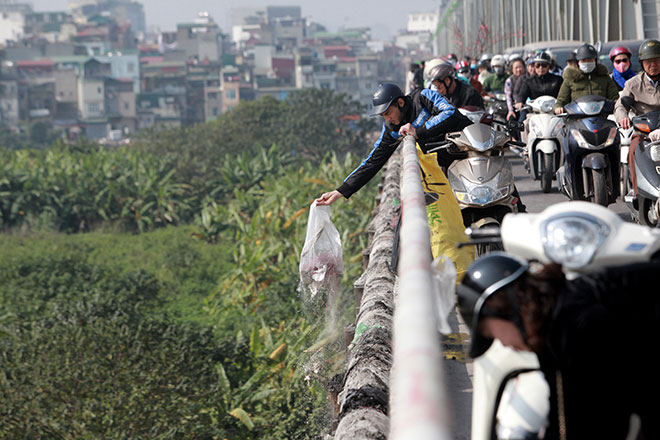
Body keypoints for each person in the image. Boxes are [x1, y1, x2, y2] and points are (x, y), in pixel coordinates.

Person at [457, 252, 660, 440]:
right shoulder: (551, 326)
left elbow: (606, 418)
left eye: (491, 333)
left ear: (504, 307)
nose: (503, 343)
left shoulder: (578, 323)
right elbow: (562, 409)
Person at [315, 82, 472, 206]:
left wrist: (419, 131)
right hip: (447, 169)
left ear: (401, 102)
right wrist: (342, 190)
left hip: (470, 150)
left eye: (388, 113)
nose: (387, 119)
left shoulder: (423, 96)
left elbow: (449, 112)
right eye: (383, 116)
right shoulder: (392, 129)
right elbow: (373, 160)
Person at [613, 39, 660, 195]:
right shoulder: (633, 84)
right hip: (643, 130)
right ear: (642, 63)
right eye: (648, 62)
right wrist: (623, 118)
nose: (653, 65)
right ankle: (636, 190)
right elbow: (620, 105)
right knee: (633, 151)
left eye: (657, 60)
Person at [553, 43, 619, 114]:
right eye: (583, 60)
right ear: (578, 62)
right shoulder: (571, 79)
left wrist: (617, 107)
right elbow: (561, 100)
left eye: (590, 60)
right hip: (577, 119)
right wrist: (558, 107)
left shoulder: (604, 78)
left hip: (602, 118)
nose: (587, 63)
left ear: (595, 61)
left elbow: (615, 98)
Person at [504, 57, 526, 121]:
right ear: (512, 69)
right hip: (514, 106)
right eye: (516, 68)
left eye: (520, 67)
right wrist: (510, 110)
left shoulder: (528, 78)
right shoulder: (509, 81)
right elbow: (508, 97)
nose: (519, 70)